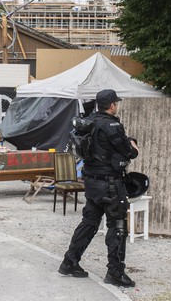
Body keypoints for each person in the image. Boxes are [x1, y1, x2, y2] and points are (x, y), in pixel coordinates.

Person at [58, 89, 140, 287]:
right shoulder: (111, 125)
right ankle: (115, 272)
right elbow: (129, 152)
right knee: (117, 227)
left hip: (92, 182)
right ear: (112, 105)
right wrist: (132, 144)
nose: (116, 106)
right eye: (116, 103)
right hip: (111, 184)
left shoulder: (89, 122)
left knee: (89, 223)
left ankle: (69, 262)